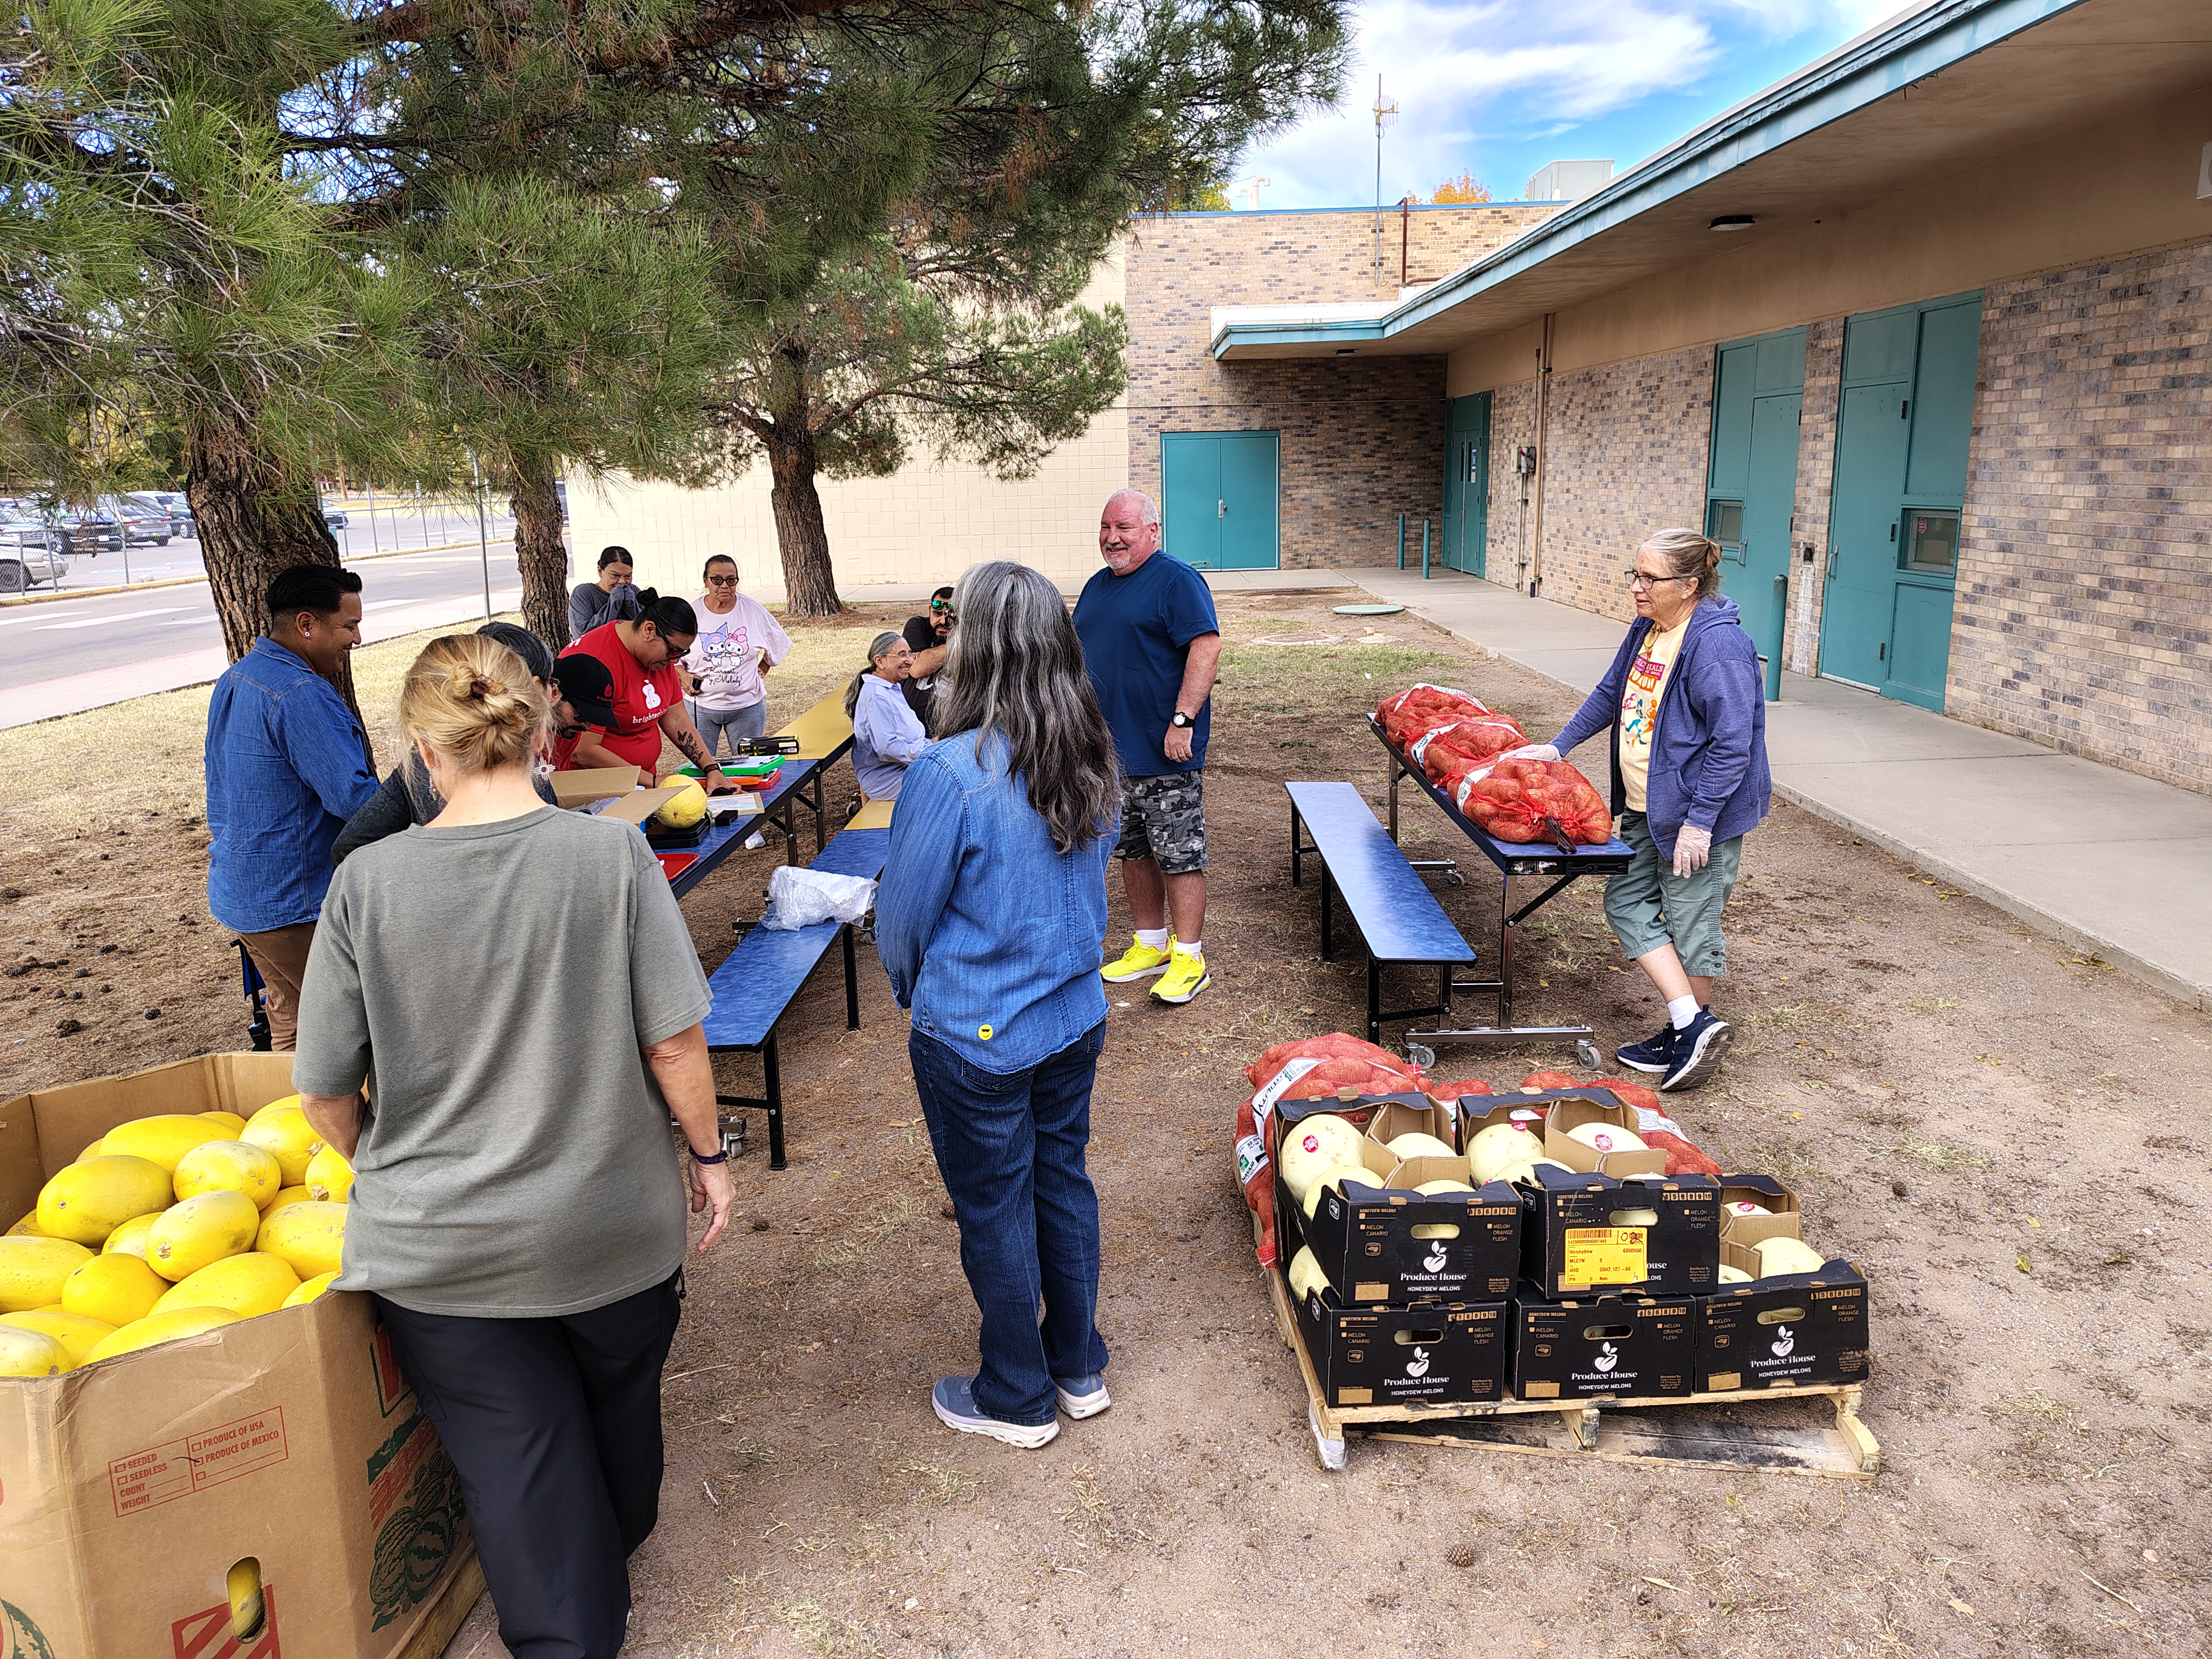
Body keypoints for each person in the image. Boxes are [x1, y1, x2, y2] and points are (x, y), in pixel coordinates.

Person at [292, 631, 734, 1659]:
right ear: (538, 729)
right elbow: (674, 1042)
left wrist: (383, 1171)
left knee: (516, 1441)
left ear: (419, 746)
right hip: (611, 1224)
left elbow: (321, 1093)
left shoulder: (365, 883)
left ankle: (568, 1627)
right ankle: (618, 1534)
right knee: (619, 1392)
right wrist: (711, 1163)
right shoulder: (613, 854)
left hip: (444, 1248)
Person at [876, 561, 1122, 1449]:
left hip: (978, 1032)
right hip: (1071, 1016)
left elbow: (901, 918)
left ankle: (1017, 1393)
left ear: (971, 647)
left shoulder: (950, 771)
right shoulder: (1091, 745)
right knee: (1060, 1179)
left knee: (998, 1204)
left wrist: (918, 997)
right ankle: (1076, 1364)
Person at [1519, 527, 1771, 1092]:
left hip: (1694, 816)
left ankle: (1687, 1034)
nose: (1635, 586)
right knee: (1626, 900)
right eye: (1634, 574)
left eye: (1647, 578)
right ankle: (1690, 1023)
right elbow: (1612, 692)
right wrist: (1558, 746)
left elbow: (1734, 743)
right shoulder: (1649, 627)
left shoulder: (1717, 646)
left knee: (1690, 922)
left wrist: (1700, 822)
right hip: (1644, 804)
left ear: (1688, 585)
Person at [204, 564, 379, 1051]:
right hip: (293, 902)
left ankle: (294, 1121)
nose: (357, 638)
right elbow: (353, 798)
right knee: (358, 1024)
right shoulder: (300, 693)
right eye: (348, 626)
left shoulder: (239, 676)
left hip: (243, 895)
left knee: (295, 1021)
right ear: (307, 625)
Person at [1071, 488, 1222, 1007]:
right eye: (1106, 527)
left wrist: (1182, 720)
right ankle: (1151, 943)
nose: (1113, 538)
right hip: (1110, 753)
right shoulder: (1096, 587)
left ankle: (1190, 957)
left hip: (1165, 750)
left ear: (1152, 532)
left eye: (1126, 528)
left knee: (1178, 854)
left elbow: (1206, 645)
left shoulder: (1176, 581)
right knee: (1132, 850)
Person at [331, 623, 559, 866]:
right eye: (551, 683)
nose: (556, 693)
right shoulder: (523, 769)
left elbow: (350, 846)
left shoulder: (423, 760)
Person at [562, 591, 739, 792]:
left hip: (639, 782)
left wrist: (711, 769)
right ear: (649, 630)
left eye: (682, 654)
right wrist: (653, 782)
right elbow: (584, 751)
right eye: (673, 652)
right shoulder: (598, 663)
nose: (675, 662)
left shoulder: (659, 660)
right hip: (594, 788)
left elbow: (677, 719)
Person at [683, 555, 790, 756]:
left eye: (731, 580)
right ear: (705, 581)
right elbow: (673, 657)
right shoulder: (691, 613)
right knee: (700, 765)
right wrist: (683, 675)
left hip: (746, 707)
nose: (725, 586)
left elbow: (779, 642)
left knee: (748, 765)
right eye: (717, 580)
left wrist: (765, 666)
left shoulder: (753, 611)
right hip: (700, 707)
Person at [846, 630, 928, 801]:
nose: (909, 661)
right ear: (880, 661)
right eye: (901, 655)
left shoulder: (891, 688)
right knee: (954, 785)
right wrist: (927, 754)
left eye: (910, 654)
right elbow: (887, 748)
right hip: (888, 780)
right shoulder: (876, 695)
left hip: (905, 768)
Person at [546, 652, 620, 771]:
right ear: (554, 694)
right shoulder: (513, 734)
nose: (587, 726)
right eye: (581, 714)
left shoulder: (568, 732)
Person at [899, 585, 956, 729]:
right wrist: (959, 644)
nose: (943, 621)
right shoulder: (917, 626)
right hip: (910, 725)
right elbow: (917, 668)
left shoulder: (968, 633)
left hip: (947, 727)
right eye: (937, 614)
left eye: (950, 616)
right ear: (930, 610)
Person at [568, 545, 640, 639]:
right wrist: (613, 604)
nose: (622, 582)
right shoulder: (583, 594)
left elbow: (646, 627)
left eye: (628, 576)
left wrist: (632, 605)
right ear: (600, 571)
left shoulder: (633, 591)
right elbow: (581, 634)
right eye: (615, 575)